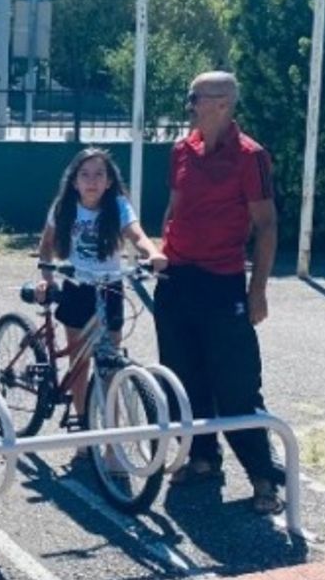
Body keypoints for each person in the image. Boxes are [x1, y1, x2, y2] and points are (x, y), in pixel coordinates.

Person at [157, 70, 286, 515]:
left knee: (236, 384)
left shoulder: (251, 156)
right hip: (176, 281)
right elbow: (174, 208)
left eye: (195, 97)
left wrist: (258, 291)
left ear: (223, 103)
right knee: (182, 376)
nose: (189, 103)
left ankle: (264, 478)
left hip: (222, 282)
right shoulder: (181, 150)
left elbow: (266, 225)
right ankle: (203, 459)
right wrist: (161, 251)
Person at [33, 147, 166, 426]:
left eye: (99, 175)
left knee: (109, 363)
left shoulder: (117, 205)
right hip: (76, 286)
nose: (92, 181)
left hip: (109, 287)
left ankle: (110, 437)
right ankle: (84, 425)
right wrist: (47, 277)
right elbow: (46, 245)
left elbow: (137, 235)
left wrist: (152, 253)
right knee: (79, 363)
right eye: (85, 174)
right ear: (74, 181)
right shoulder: (64, 206)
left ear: (109, 181)